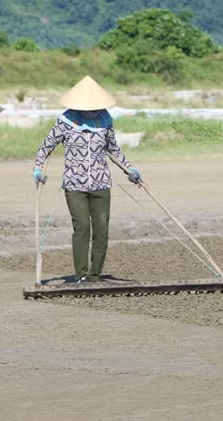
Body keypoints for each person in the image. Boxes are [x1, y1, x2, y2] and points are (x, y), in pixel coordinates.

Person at [33, 75, 141, 283]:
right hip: (75, 185)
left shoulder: (104, 120)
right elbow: (45, 147)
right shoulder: (65, 122)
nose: (94, 111)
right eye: (90, 107)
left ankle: (94, 275)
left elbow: (113, 150)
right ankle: (81, 274)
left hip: (101, 184)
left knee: (101, 230)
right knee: (82, 227)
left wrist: (130, 169)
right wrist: (38, 170)